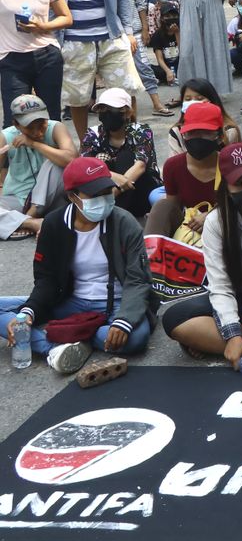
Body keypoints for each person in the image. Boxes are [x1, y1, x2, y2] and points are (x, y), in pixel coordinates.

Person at [0, 157, 155, 375]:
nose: (103, 199)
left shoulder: (124, 222)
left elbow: (138, 279)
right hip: (71, 300)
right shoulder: (54, 224)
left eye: (106, 192)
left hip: (117, 303)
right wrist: (28, 313)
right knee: (17, 318)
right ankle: (58, 347)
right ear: (73, 196)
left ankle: (61, 339)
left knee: (135, 338)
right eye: (94, 194)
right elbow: (47, 280)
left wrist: (123, 321)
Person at [161, 143, 242, 361]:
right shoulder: (217, 222)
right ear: (226, 186)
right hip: (241, 297)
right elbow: (220, 285)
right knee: (176, 318)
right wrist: (233, 333)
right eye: (239, 184)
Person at [42, 0, 142, 139]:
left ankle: (132, 140)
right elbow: (49, 4)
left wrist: (129, 32)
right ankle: (87, 143)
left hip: (111, 36)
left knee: (125, 91)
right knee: (77, 98)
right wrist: (53, 37)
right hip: (74, 40)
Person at [0, 0, 71, 124]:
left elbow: (66, 18)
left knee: (50, 116)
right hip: (11, 59)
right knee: (14, 119)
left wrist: (43, 26)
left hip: (47, 56)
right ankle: (16, 154)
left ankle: (52, 153)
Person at [104, 0, 171, 120]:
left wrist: (144, 29)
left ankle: (157, 103)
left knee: (143, 67)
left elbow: (141, 3)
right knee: (120, 74)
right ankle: (125, 113)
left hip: (133, 32)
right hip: (112, 34)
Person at [0, 95, 76, 240]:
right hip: (18, 198)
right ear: (16, 124)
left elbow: (72, 159)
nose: (38, 132)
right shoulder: (6, 136)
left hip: (54, 198)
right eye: (30, 127)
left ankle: (24, 220)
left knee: (55, 162)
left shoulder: (56, 128)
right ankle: (33, 223)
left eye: (41, 124)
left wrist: (34, 144)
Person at [146, 101, 224, 240]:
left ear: (219, 137)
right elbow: (173, 208)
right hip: (189, 228)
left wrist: (213, 216)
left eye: (204, 133)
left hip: (225, 228)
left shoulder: (229, 164)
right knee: (162, 206)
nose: (197, 139)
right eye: (191, 133)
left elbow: (240, 206)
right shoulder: (173, 166)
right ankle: (152, 255)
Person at [79, 87, 159, 218]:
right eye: (102, 109)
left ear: (127, 113)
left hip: (140, 189)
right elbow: (83, 165)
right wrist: (113, 176)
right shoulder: (93, 133)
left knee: (125, 157)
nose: (106, 113)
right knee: (99, 161)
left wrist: (118, 189)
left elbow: (140, 165)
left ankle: (109, 213)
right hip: (106, 189)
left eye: (112, 109)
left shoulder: (141, 130)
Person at [166, 78, 242, 155]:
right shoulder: (176, 132)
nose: (193, 103)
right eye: (188, 99)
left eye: (199, 98)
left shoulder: (228, 131)